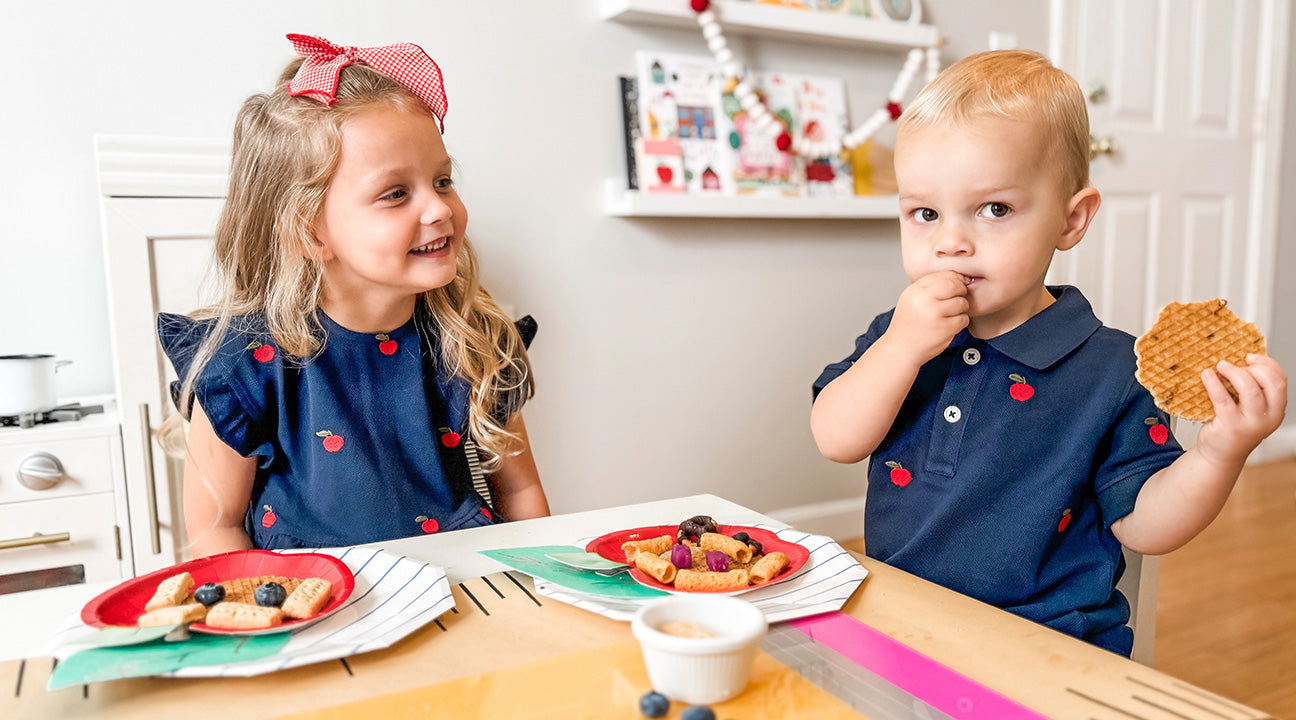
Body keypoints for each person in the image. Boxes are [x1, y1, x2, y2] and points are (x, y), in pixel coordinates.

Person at [810, 49, 1287, 656]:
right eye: (925, 213)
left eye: (995, 209)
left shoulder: (1114, 370)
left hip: (1053, 643)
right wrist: (901, 348)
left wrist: (1221, 452)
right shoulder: (897, 334)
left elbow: (1145, 525)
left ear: (1071, 220)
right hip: (903, 627)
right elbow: (835, 438)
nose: (950, 242)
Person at [159, 34, 549, 556]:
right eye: (395, 194)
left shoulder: (474, 339)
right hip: (314, 605)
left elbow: (520, 491)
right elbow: (215, 530)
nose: (437, 209)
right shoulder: (245, 364)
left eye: (442, 180)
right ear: (309, 232)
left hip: (463, 587)